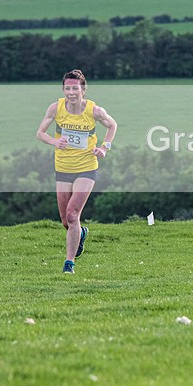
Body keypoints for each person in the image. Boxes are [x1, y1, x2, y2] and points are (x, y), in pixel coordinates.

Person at [36, 70, 117, 274]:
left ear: (83, 89)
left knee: (73, 215)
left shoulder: (94, 110)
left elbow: (112, 124)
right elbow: (40, 133)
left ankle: (69, 263)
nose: (71, 92)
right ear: (63, 89)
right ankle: (81, 234)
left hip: (86, 168)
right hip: (62, 169)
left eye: (75, 88)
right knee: (65, 221)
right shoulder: (55, 108)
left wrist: (104, 147)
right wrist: (54, 141)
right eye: (67, 88)